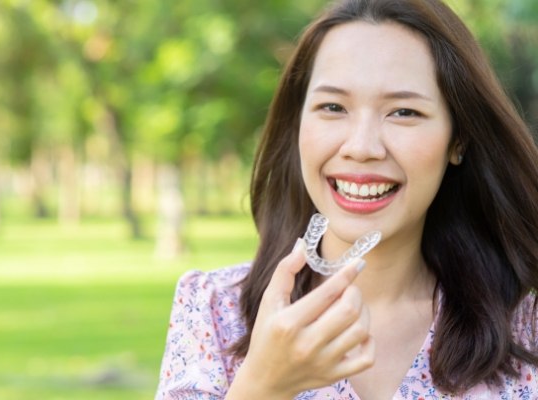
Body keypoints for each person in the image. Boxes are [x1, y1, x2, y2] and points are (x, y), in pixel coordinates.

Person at [156, 0, 538, 398]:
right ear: (298, 125)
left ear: (458, 140)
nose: (361, 147)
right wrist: (263, 385)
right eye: (333, 107)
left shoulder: (524, 329)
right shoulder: (214, 310)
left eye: (404, 112)